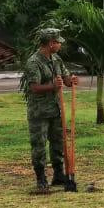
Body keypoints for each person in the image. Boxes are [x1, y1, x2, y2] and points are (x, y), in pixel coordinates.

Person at [21, 28, 77, 194]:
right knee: (39, 145)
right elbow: (34, 87)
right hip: (39, 112)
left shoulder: (56, 59)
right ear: (51, 43)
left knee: (58, 143)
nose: (60, 45)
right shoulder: (34, 62)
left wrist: (71, 80)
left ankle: (59, 175)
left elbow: (65, 78)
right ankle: (41, 179)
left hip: (56, 109)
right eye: (58, 42)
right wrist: (53, 86)